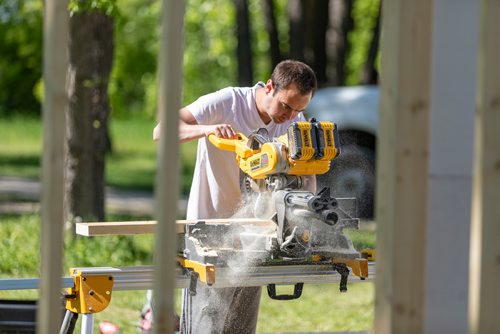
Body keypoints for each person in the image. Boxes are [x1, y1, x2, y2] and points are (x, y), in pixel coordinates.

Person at [153, 59, 317, 334]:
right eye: (286, 106)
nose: (290, 116)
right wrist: (205, 130)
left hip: (256, 236)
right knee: (205, 326)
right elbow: (161, 130)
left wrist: (305, 211)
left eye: (299, 109)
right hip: (209, 230)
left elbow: (308, 173)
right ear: (269, 87)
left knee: (241, 328)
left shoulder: (294, 121)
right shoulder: (228, 102)